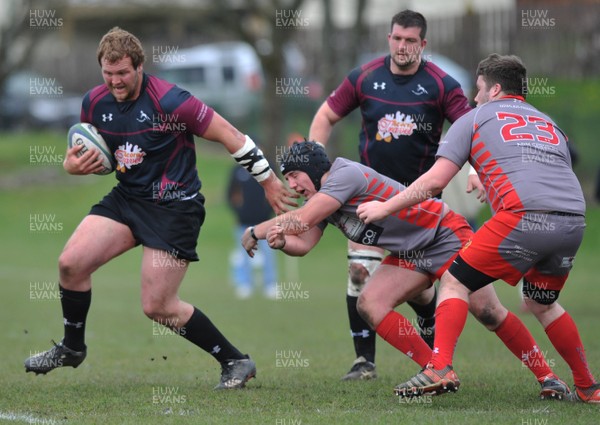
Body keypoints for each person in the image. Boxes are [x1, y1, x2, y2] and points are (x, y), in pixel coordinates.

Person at [23, 27, 294, 390]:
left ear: (139, 67)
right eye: (108, 73)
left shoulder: (171, 101)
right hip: (128, 199)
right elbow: (96, 156)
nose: (115, 82)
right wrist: (71, 166)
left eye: (123, 73)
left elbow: (231, 134)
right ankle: (72, 348)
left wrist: (269, 181)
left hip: (174, 207)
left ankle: (235, 360)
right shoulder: (93, 103)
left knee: (158, 306)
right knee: (70, 264)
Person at [242, 140, 571, 400]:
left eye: (294, 176)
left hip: (444, 234)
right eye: (287, 180)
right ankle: (435, 370)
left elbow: (301, 220)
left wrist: (256, 230)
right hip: (410, 253)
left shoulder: (344, 175)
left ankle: (548, 377)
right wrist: (282, 243)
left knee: (488, 312)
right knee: (369, 303)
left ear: (312, 169)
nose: (293, 185)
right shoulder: (324, 199)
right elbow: (305, 241)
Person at [357, 54, 600, 403]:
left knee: (455, 281)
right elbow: (544, 168)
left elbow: (434, 181)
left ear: (495, 88)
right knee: (542, 303)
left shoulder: (474, 119)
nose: (474, 97)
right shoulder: (549, 123)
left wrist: (385, 205)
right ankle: (588, 386)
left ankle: (439, 366)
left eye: (480, 88)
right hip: (573, 221)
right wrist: (491, 178)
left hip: (523, 217)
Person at [308, 9, 484, 380]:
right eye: (397, 38)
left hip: (416, 206)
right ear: (388, 38)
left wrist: (475, 170)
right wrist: (314, 164)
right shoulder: (365, 77)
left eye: (410, 41)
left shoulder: (441, 85)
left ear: (423, 44)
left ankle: (434, 360)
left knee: (419, 294)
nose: (402, 46)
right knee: (359, 273)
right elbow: (325, 116)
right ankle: (364, 362)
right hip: (366, 202)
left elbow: (472, 128)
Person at [227, 164, 278, 299]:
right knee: (244, 254)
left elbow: (275, 191)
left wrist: (268, 212)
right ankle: (245, 284)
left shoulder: (267, 168)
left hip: (265, 222)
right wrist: (239, 212)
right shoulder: (237, 170)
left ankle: (270, 284)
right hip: (243, 223)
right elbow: (230, 194)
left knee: (268, 252)